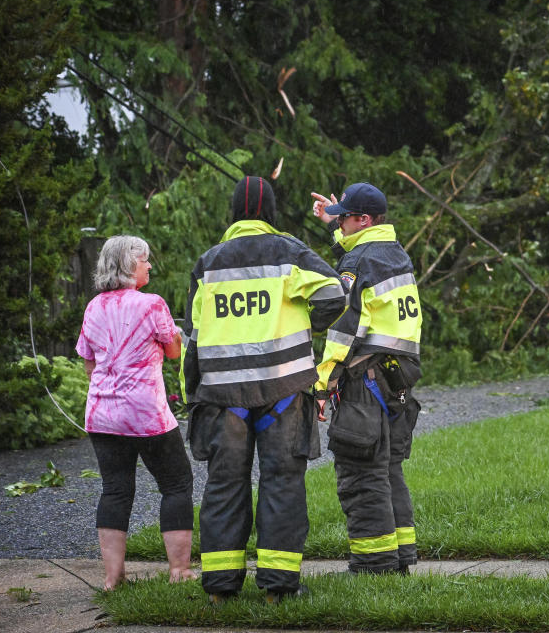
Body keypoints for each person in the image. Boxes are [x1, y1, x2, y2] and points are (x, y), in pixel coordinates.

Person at [181, 176, 346, 603]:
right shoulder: (290, 252)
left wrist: (189, 392)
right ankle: (278, 589)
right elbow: (336, 293)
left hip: (221, 399)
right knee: (282, 482)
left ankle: (220, 591)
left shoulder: (209, 262)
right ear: (270, 212)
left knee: (223, 487)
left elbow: (194, 338)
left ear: (234, 211)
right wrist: (303, 323)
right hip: (283, 391)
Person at [309, 182, 423, 575]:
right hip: (397, 380)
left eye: (344, 217)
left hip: (364, 380)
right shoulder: (395, 254)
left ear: (364, 220)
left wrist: (322, 385)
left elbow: (342, 332)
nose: (339, 222)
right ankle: (401, 559)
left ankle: (374, 566)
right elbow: (358, 256)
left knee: (361, 473)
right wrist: (332, 226)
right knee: (389, 469)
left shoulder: (358, 265)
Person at [75, 235, 196, 591]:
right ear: (130, 265)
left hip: (101, 414)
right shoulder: (152, 304)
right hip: (146, 414)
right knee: (176, 484)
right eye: (145, 260)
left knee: (115, 490)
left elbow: (88, 360)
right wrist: (174, 332)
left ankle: (113, 577)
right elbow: (173, 351)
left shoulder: (94, 307)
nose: (149, 265)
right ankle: (179, 570)